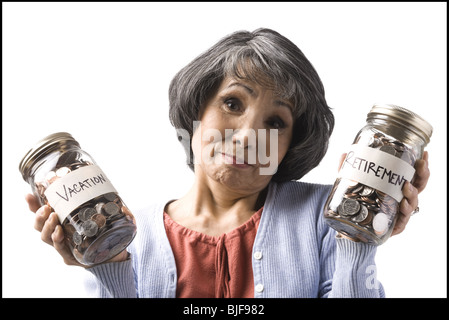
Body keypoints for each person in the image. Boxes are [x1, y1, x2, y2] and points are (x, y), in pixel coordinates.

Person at [25, 28, 430, 298]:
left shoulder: (324, 218)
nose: (248, 134)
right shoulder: (130, 236)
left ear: (292, 144)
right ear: (197, 107)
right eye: (232, 103)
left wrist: (360, 241)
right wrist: (108, 265)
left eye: (276, 121)